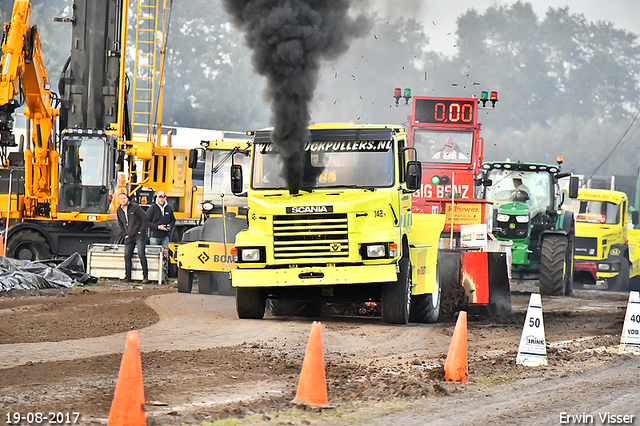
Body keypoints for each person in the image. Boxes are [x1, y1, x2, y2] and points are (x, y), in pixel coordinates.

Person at [117, 192, 150, 283]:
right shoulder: (119, 210)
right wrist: (125, 233)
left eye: (124, 198)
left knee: (141, 254)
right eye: (121, 199)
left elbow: (145, 218)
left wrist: (141, 231)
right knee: (127, 256)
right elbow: (120, 222)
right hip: (129, 236)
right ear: (119, 200)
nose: (123, 200)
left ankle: (145, 276)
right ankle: (128, 277)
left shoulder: (135, 207)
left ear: (127, 199)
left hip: (139, 235)